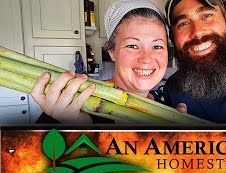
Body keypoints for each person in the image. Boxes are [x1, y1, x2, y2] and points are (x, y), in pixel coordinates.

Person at [32, 0, 169, 124]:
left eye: (157, 46)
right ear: (111, 51)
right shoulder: (70, 106)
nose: (146, 59)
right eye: (132, 46)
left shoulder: (168, 108)